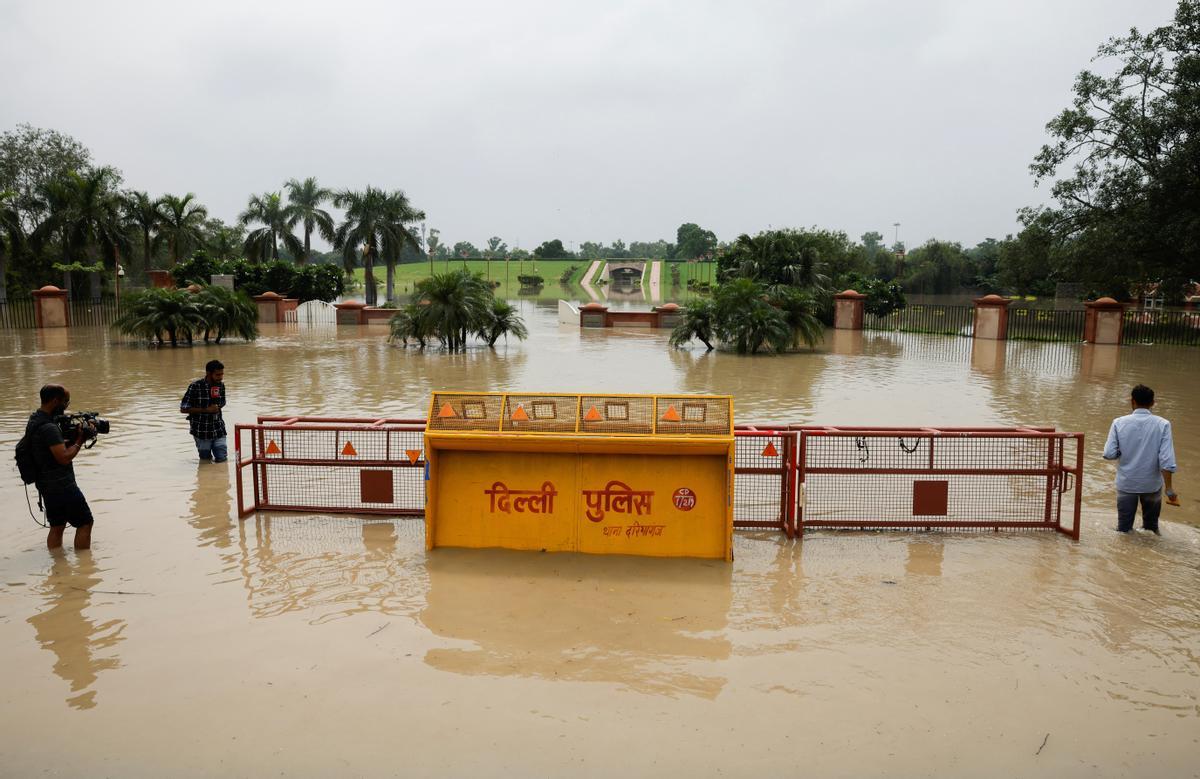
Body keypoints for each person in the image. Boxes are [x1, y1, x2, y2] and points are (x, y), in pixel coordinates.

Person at [26, 384, 95, 550]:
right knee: (85, 522)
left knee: (57, 526)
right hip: (62, 486)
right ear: (56, 401)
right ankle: (84, 569)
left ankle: (57, 566)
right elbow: (63, 458)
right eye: (65, 402)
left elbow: (51, 449)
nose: (66, 406)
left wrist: (75, 438)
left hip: (46, 485)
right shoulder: (49, 428)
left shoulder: (35, 420)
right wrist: (80, 439)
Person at [1103, 384, 1178, 534]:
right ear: (1152, 403)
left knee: (1123, 530)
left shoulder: (1119, 422)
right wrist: (1169, 489)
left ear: (1132, 401)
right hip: (1152, 485)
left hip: (1127, 483)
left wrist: (1123, 451)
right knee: (1151, 529)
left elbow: (1108, 454)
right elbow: (1167, 460)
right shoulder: (1163, 424)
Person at [181, 359, 227, 463]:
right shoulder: (195, 386)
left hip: (218, 428)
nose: (221, 377)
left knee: (222, 458)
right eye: (217, 375)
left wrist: (217, 408)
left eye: (222, 374)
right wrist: (206, 410)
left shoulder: (221, 386)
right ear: (208, 373)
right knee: (205, 460)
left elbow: (222, 402)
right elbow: (183, 409)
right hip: (201, 431)